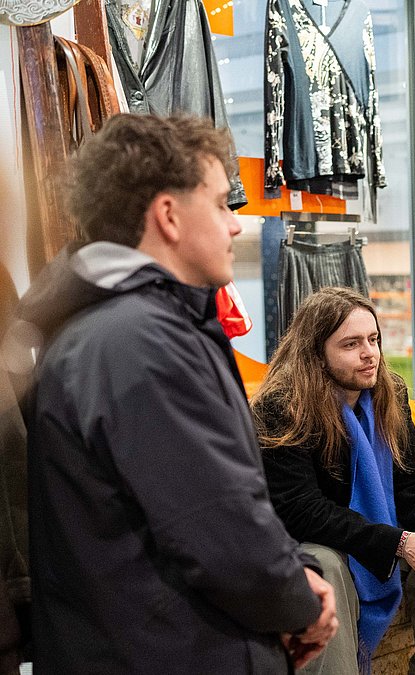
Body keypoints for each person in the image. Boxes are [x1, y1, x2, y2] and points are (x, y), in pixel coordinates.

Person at [16, 114, 336, 672]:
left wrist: (296, 572)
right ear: (168, 215)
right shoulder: (138, 342)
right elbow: (215, 525)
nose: (235, 225)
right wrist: (300, 601)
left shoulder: (121, 330)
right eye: (219, 204)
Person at [253, 287, 415, 674]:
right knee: (327, 564)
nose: (369, 353)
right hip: (304, 541)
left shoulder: (390, 394)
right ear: (317, 353)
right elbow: (300, 512)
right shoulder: (283, 406)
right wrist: (399, 543)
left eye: (373, 339)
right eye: (351, 344)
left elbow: (413, 480)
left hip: (371, 535)